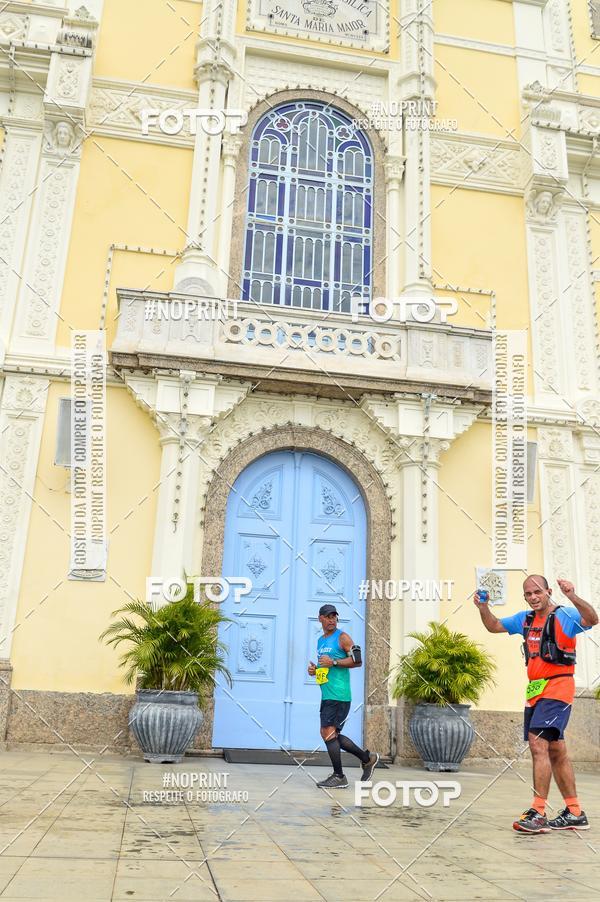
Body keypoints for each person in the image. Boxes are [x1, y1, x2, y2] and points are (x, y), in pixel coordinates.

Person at [474, 575, 598, 833]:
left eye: (537, 592)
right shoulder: (525, 619)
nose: (533, 597)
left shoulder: (564, 615)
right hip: (536, 691)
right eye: (528, 594)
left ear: (548, 592)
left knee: (537, 743)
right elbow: (494, 626)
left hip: (559, 688)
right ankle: (574, 812)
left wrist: (572, 595)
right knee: (556, 750)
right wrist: (483, 608)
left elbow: (592, 619)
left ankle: (538, 811)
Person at [307, 603, 379, 788]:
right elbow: (326, 664)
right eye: (328, 616)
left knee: (327, 732)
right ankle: (367, 759)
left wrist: (335, 662)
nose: (331, 620)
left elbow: (358, 660)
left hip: (339, 695)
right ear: (320, 618)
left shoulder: (343, 637)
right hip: (327, 694)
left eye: (334, 616)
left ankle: (339, 776)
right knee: (332, 734)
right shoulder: (321, 641)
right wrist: (315, 670)